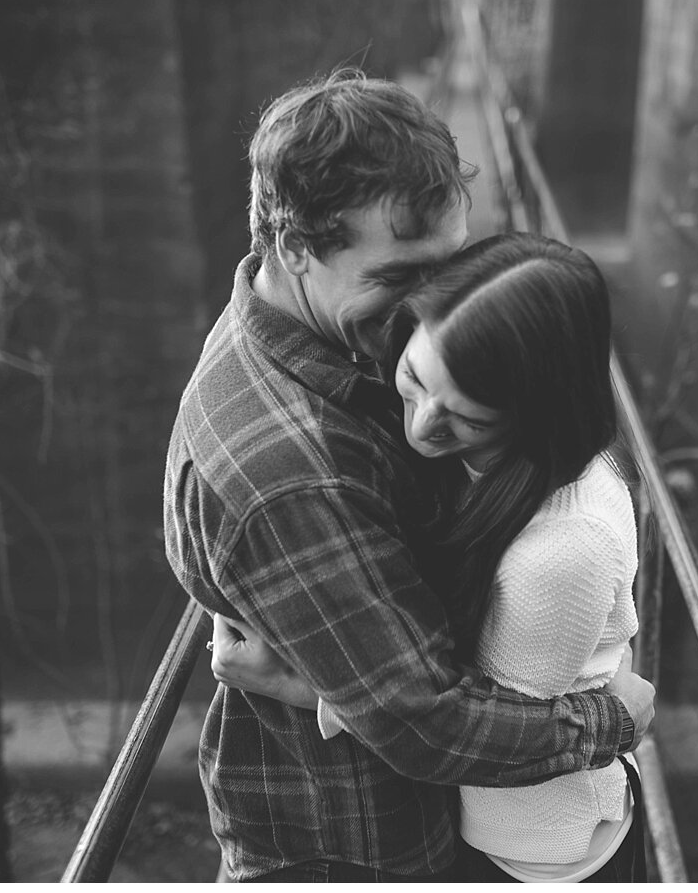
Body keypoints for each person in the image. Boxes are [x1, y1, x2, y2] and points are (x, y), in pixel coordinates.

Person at [164, 70, 655, 882]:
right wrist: (609, 719)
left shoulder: (307, 321)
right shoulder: (296, 476)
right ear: (294, 247)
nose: (427, 303)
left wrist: (304, 685)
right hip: (356, 848)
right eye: (396, 276)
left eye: (446, 266)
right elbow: (424, 721)